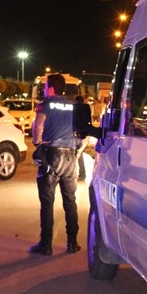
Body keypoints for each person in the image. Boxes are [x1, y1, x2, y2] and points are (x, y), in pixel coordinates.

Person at [30, 73, 80, 255]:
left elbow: (38, 125)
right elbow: (81, 132)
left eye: (45, 87)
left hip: (52, 155)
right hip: (70, 157)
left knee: (47, 202)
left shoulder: (45, 104)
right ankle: (72, 243)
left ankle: (46, 244)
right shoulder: (73, 106)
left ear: (50, 88)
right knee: (70, 201)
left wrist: (37, 141)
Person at [73, 95, 93, 181]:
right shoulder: (86, 107)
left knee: (75, 153)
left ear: (76, 100)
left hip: (76, 132)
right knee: (79, 153)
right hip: (85, 132)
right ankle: (82, 173)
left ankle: (75, 173)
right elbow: (89, 119)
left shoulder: (75, 107)